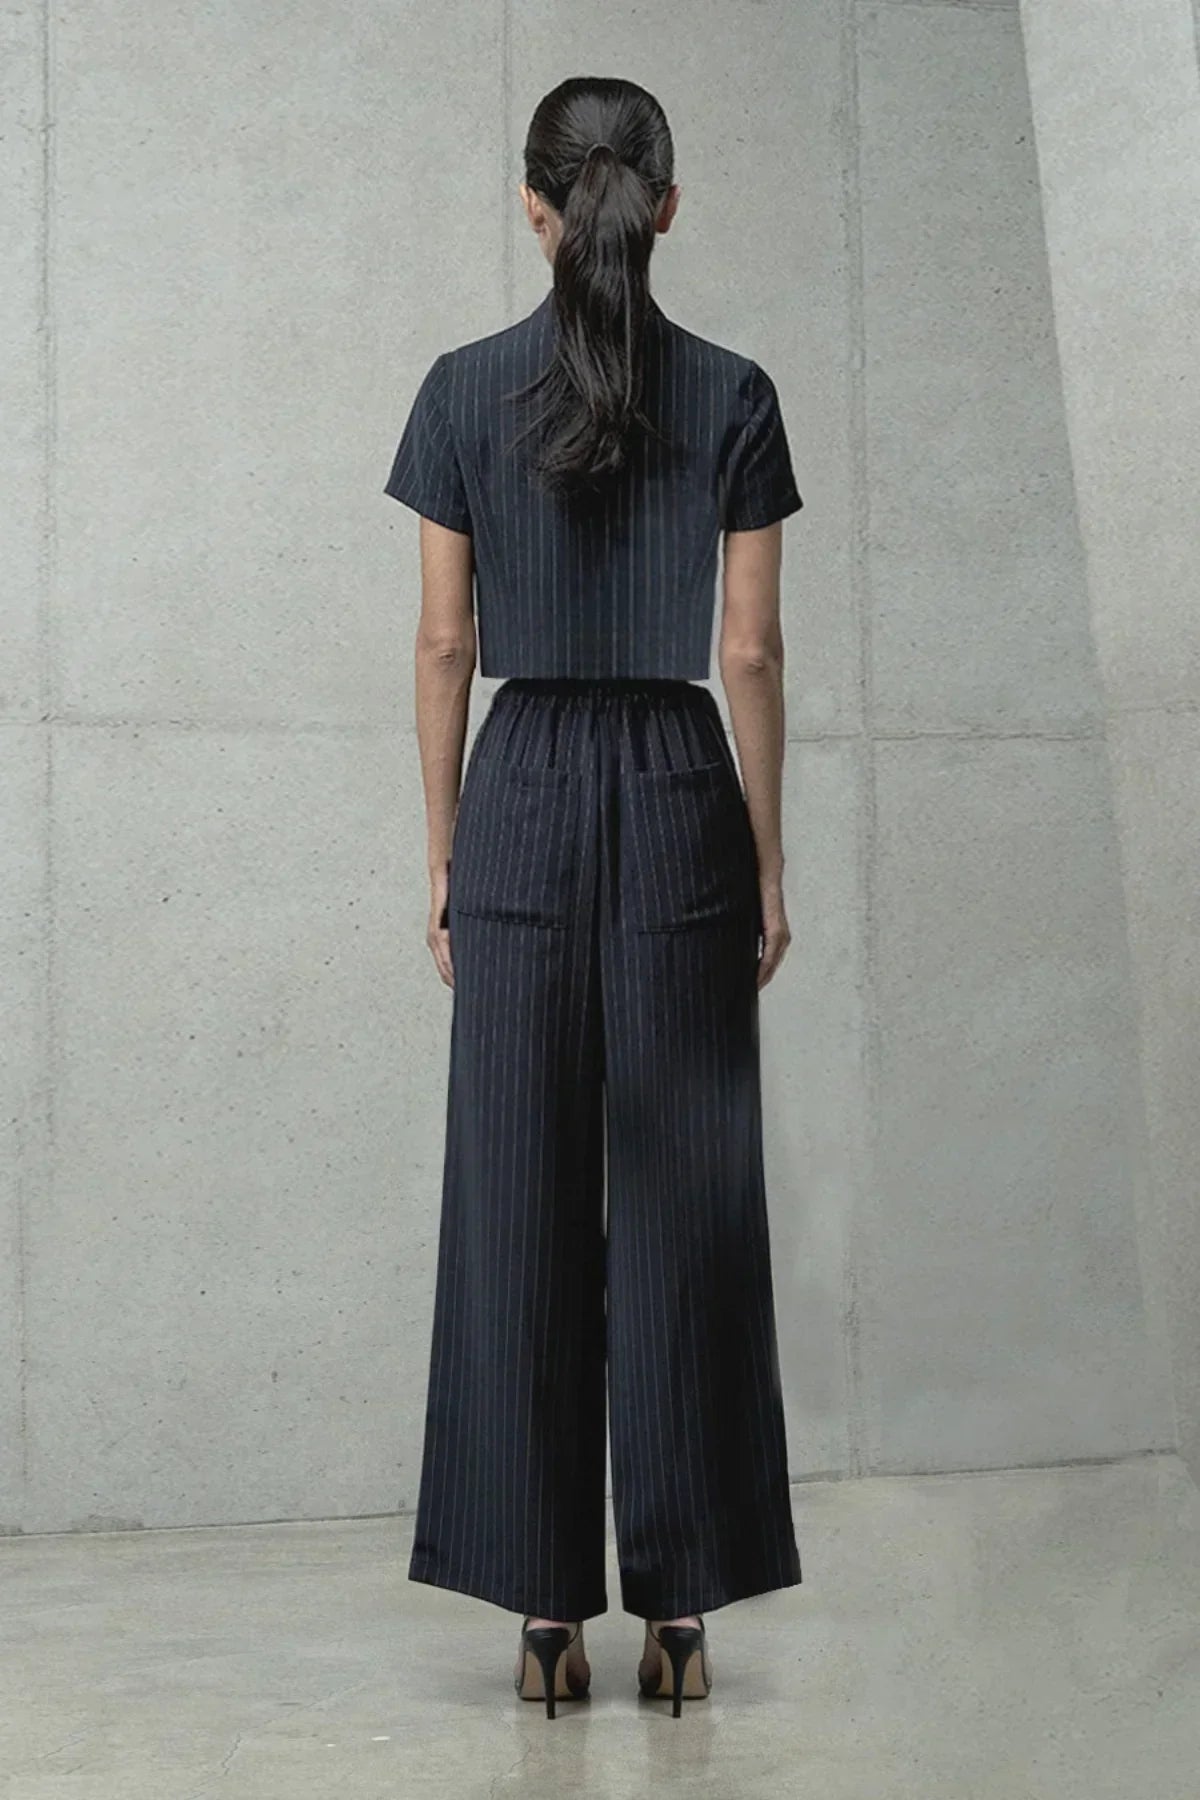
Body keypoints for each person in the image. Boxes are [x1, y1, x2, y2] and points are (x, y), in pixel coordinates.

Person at [382, 75, 804, 1720]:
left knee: (520, 1199)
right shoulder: (738, 391)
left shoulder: (461, 390)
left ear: (535, 205)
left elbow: (441, 645)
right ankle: (681, 1616)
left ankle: (546, 1611)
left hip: (526, 792)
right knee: (689, 1201)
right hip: (683, 790)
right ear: (669, 207)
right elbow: (750, 649)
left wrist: (443, 854)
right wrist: (763, 856)